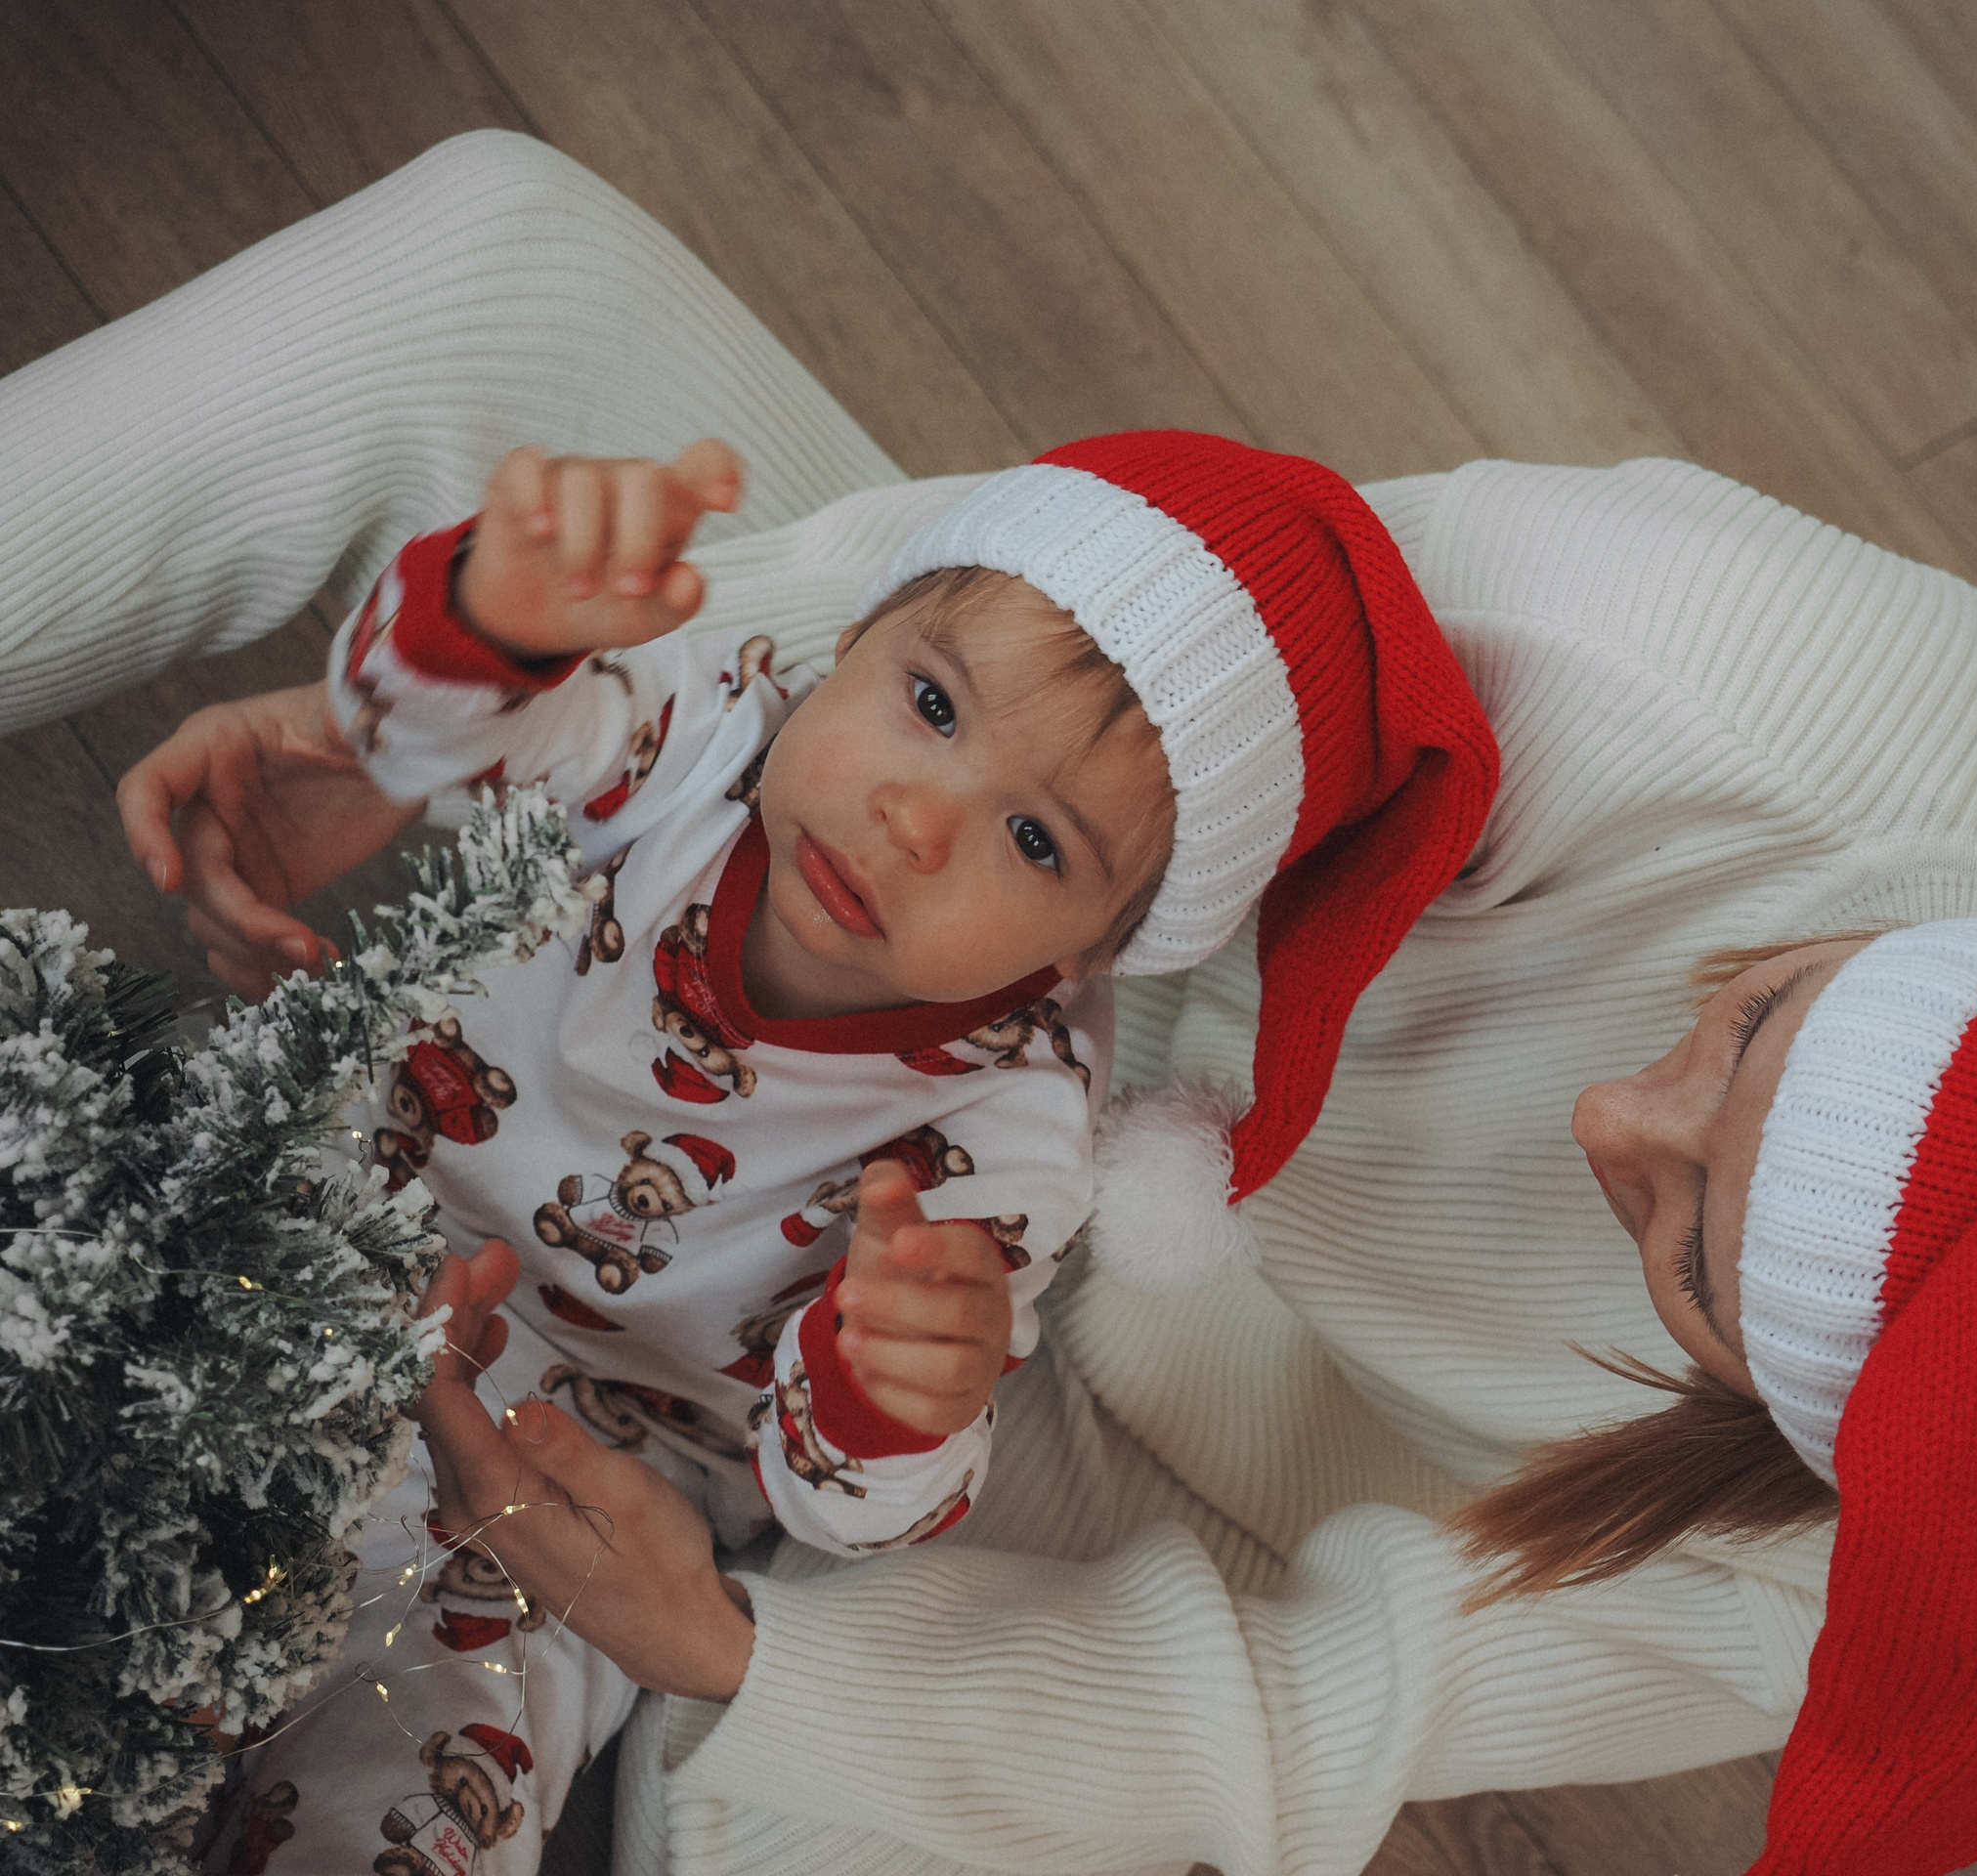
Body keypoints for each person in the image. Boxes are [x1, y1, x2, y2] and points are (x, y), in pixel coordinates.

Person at [6, 131, 1977, 1876]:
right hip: (1022, 925)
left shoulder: (1867, 1569)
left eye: (1688, 1256)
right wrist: (447, 730)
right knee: (501, 265)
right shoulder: (1731, 669)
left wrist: (760, 1657)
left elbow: (1296, 1707)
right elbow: (1077, 628)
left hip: (1047, 1451)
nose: (1610, 1120)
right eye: (1738, 1024)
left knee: (753, 1770)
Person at [187, 404, 1500, 1868]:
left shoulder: (1003, 1136)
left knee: (404, 1805)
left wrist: (895, 1400)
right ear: (856, 641)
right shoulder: (690, 741)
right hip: (300, 1241)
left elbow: (834, 1506)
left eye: (1037, 841)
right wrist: (490, 613)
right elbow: (414, 735)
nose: (916, 820)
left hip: (564, 1490)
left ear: (1096, 950)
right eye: (932, 707)